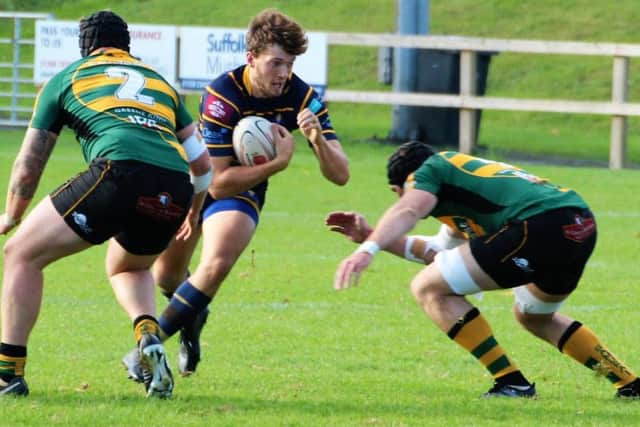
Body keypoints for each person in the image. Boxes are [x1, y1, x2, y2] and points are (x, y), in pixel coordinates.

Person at [120, 7, 349, 380]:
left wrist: (318, 140)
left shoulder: (301, 96)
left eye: (289, 64)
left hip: (244, 189)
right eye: (276, 63)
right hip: (197, 180)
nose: (284, 74)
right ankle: (193, 316)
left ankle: (149, 348)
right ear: (251, 58)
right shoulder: (222, 95)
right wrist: (277, 164)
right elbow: (217, 179)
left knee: (218, 260)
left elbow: (341, 175)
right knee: (166, 276)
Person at [0, 10, 213, 398]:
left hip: (119, 171)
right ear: (127, 46)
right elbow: (202, 164)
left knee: (20, 253)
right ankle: (148, 336)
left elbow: (30, 160)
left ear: (85, 48)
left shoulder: (67, 77)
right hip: (175, 186)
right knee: (127, 267)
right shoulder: (161, 83)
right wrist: (194, 211)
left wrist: (12, 214)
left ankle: (7, 375)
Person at [327, 140, 640, 399]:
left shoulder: (428, 171)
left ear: (401, 184)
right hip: (578, 223)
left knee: (426, 288)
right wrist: (372, 235)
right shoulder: (460, 194)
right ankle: (629, 383)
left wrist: (367, 250)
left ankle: (511, 382)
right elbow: (438, 255)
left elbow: (410, 208)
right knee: (533, 315)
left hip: (539, 224)